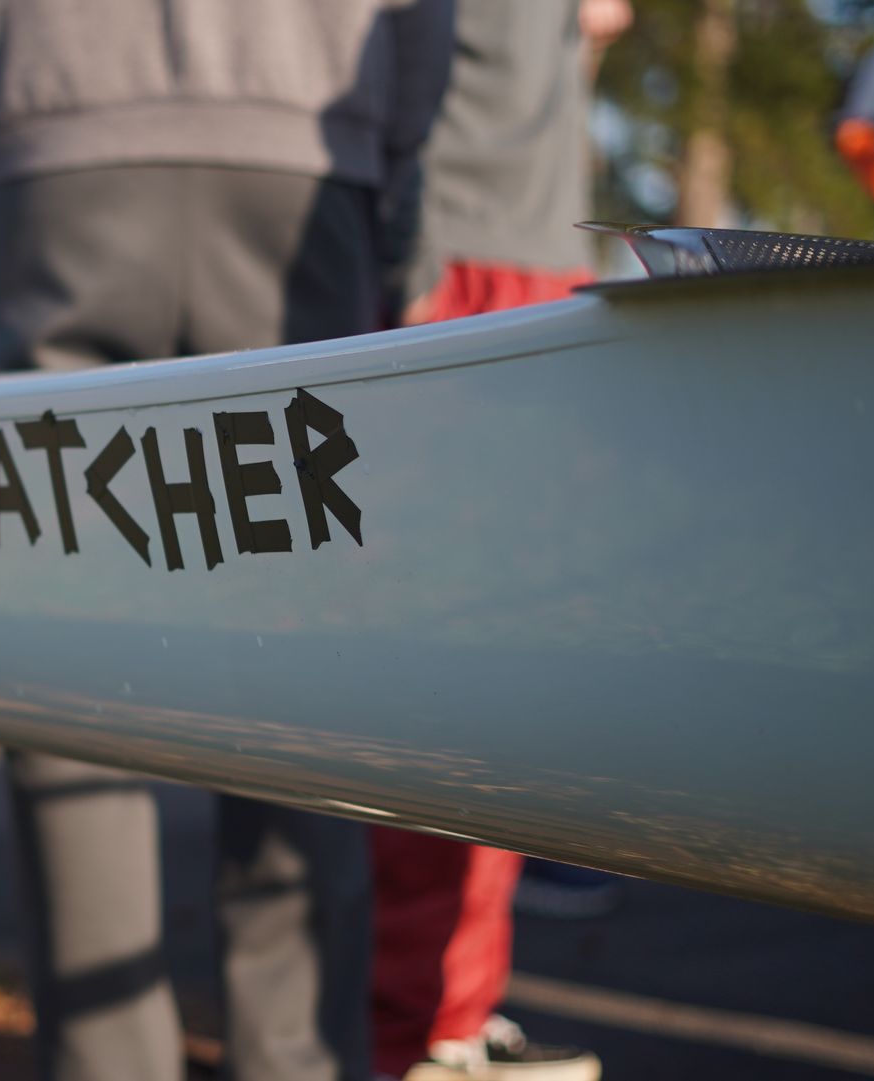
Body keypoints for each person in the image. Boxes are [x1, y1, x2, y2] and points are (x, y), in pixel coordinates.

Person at [0, 3, 455, 1079]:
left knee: (62, 650)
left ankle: (107, 1062)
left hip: (38, 158)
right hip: (303, 149)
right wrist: (391, 148)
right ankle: (298, 1058)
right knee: (298, 650)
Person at [369, 2, 625, 1079]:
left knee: (506, 654)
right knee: (438, 652)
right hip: (454, 259)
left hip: (537, 261)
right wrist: (411, 245)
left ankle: (453, 1012)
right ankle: (411, 1022)